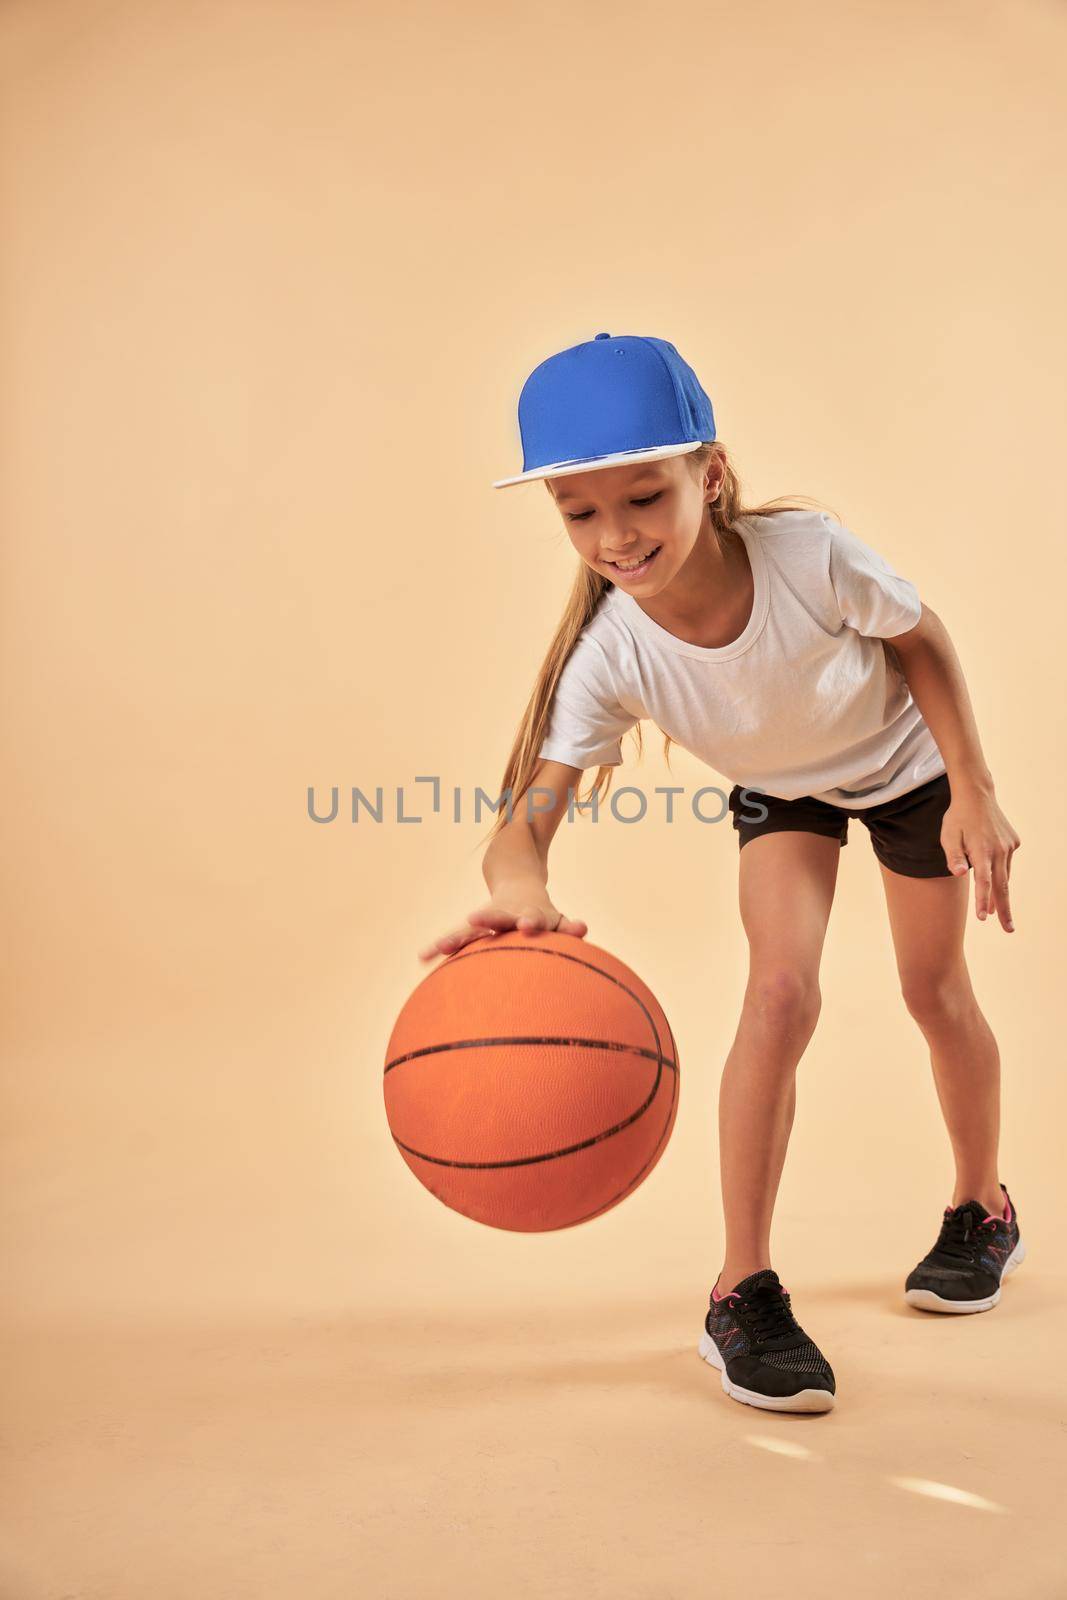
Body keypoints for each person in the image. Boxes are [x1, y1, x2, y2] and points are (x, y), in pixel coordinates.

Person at [417, 332, 1024, 1414]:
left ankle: (981, 1208)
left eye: (643, 497)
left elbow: (919, 638)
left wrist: (971, 787)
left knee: (929, 990)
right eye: (579, 513)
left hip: (902, 767)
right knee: (777, 993)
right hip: (780, 787)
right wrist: (520, 894)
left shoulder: (806, 554)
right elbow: (522, 828)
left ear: (709, 473)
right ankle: (739, 1288)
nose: (614, 535)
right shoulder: (610, 653)